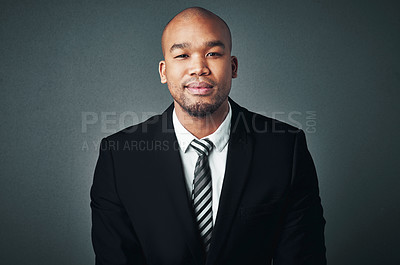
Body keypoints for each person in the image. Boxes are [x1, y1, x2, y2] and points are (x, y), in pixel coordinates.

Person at [90, 7, 327, 265]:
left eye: (213, 53)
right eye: (182, 55)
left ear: (233, 66)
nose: (199, 68)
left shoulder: (285, 149)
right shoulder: (119, 157)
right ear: (163, 71)